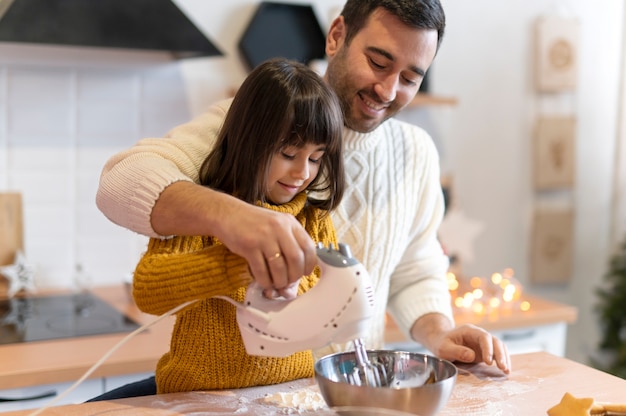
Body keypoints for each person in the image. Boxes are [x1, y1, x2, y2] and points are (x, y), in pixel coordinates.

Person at [96, 0, 511, 376]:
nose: (387, 90)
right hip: (245, 390)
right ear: (336, 37)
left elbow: (415, 269)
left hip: (348, 390)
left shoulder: (416, 153)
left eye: (409, 77)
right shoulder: (251, 124)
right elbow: (118, 183)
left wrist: (441, 334)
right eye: (379, 62)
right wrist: (233, 218)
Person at [92, 58, 345, 399]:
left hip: (288, 393)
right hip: (197, 397)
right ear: (250, 140)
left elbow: (328, 298)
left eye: (316, 158)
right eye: (288, 153)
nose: (303, 172)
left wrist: (303, 284)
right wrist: (240, 264)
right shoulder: (200, 212)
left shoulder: (313, 219)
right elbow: (148, 289)